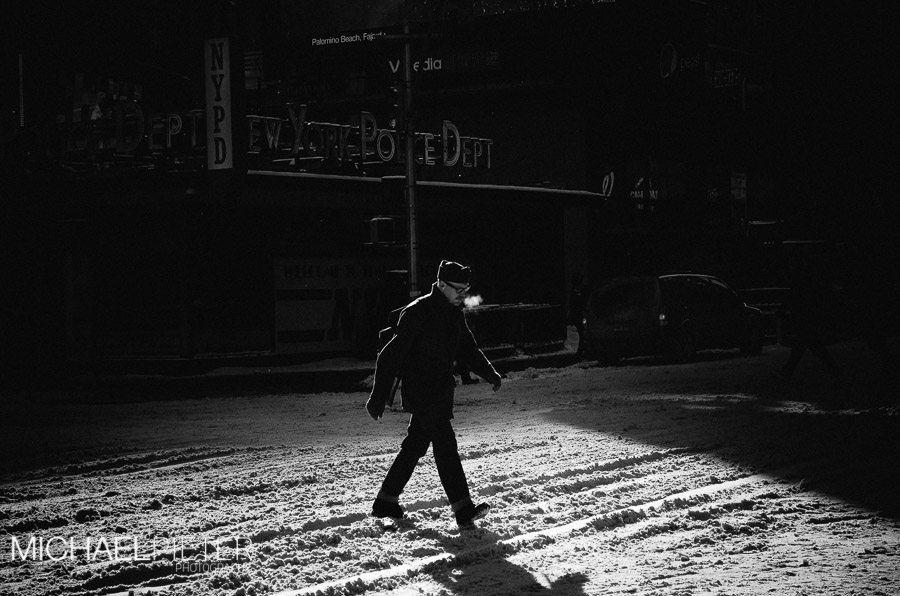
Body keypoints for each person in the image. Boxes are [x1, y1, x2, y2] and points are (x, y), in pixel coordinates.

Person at [365, 260, 503, 528]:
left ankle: (386, 500)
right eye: (458, 290)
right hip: (421, 391)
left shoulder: (454, 312)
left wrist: (489, 373)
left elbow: (467, 349)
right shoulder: (419, 312)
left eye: (466, 290)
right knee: (445, 445)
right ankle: (463, 508)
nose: (463, 295)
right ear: (441, 285)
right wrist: (378, 397)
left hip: (439, 390)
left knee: (415, 445)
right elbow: (389, 356)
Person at [777, 260, 841, 381]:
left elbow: (791, 298)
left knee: (804, 346)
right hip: (808, 317)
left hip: (803, 317)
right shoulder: (808, 284)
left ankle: (787, 372)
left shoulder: (799, 285)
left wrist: (783, 310)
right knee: (810, 346)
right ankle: (833, 369)